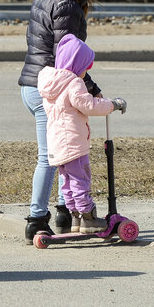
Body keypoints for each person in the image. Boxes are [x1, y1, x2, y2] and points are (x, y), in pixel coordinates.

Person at [17, 0, 104, 244]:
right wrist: (90, 88)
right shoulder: (67, 6)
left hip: (32, 86)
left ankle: (65, 212)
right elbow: (67, 57)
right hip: (51, 90)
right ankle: (36, 219)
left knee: (64, 152)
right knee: (52, 157)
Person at [38, 34, 126, 233]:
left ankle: (76, 217)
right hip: (73, 142)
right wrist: (112, 105)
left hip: (56, 143)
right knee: (80, 179)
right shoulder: (73, 83)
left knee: (67, 181)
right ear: (77, 64)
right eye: (86, 67)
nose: (86, 72)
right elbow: (89, 105)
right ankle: (88, 217)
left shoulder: (50, 84)